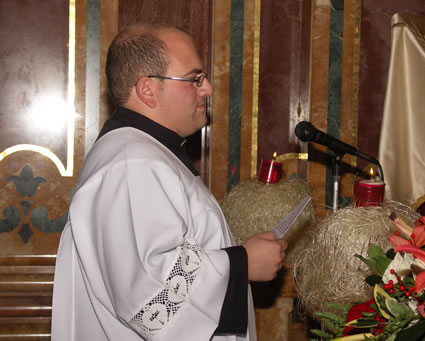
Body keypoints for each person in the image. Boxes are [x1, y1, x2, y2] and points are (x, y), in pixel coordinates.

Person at [51, 23, 288, 341]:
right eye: (194, 79)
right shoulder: (132, 163)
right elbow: (149, 291)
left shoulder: (146, 153)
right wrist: (243, 263)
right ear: (148, 89)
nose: (207, 89)